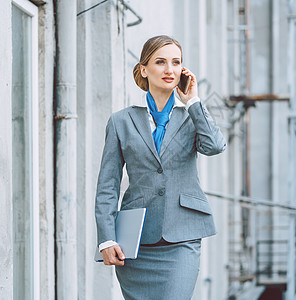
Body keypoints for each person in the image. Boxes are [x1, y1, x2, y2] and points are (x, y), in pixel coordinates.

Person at [95, 35, 226, 300]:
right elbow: (107, 184)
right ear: (144, 69)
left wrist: (193, 102)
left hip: (182, 237)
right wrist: (106, 238)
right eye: (161, 62)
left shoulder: (192, 117)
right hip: (136, 241)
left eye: (176, 62)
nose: (169, 69)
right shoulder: (121, 121)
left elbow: (214, 146)